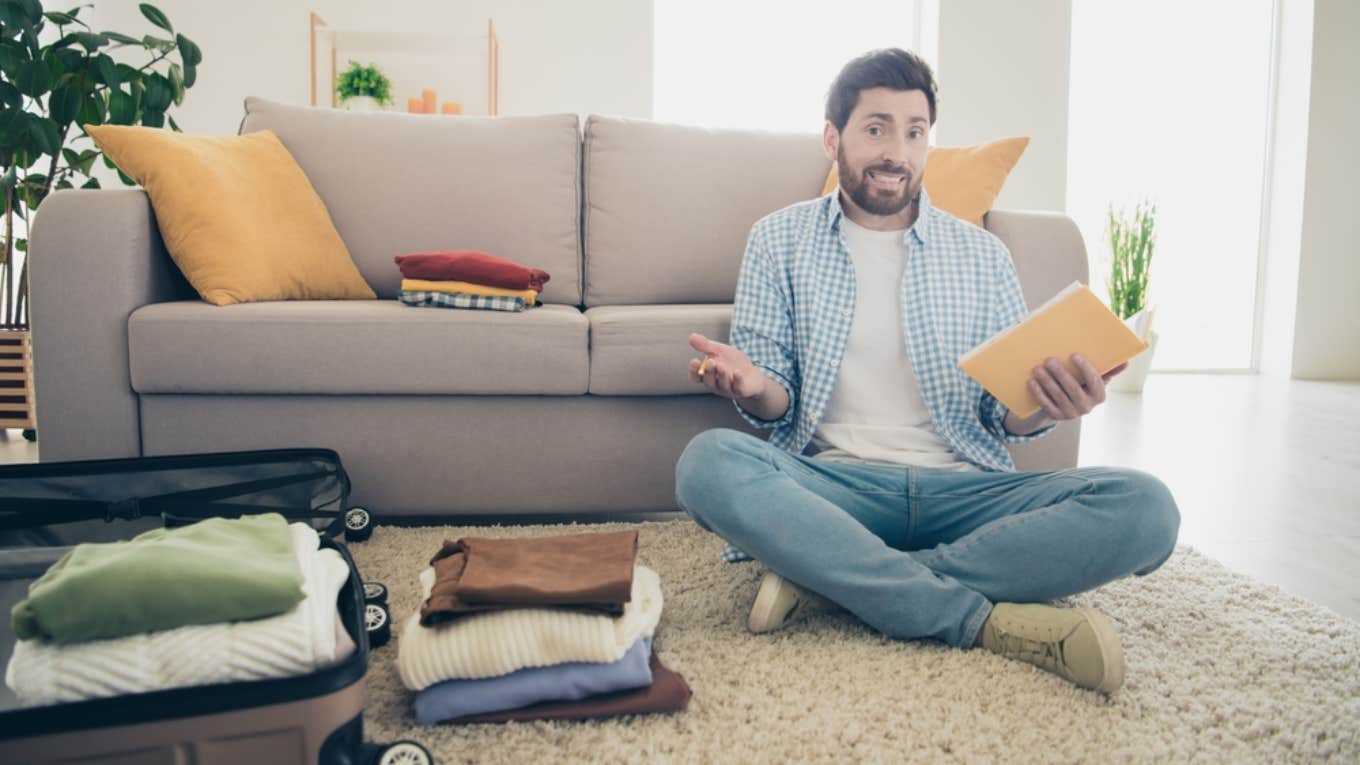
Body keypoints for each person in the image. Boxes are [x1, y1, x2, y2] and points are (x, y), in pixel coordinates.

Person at [673, 48, 1179, 695]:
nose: (898, 151)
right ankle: (963, 612)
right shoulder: (779, 239)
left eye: (915, 132)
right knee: (706, 463)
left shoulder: (983, 255)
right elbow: (777, 400)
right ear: (834, 138)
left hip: (966, 491)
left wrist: (1051, 402)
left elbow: (1005, 412)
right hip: (834, 487)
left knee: (1147, 508)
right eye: (877, 128)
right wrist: (753, 385)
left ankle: (833, 582)